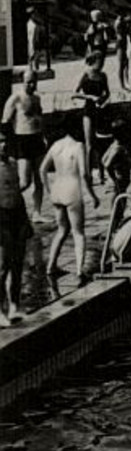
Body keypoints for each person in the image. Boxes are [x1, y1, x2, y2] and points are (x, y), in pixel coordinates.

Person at [41, 126, 99, 287]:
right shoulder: (78, 146)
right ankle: (80, 271)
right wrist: (93, 195)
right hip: (72, 190)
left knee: (61, 230)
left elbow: (42, 170)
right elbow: (84, 174)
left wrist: (48, 190)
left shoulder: (56, 145)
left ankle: (50, 266)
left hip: (57, 190)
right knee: (78, 233)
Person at [2, 73, 46, 220]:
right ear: (22, 82)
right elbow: (5, 122)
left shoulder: (36, 98)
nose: (32, 85)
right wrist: (7, 143)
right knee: (25, 182)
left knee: (40, 179)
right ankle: (6, 203)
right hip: (22, 141)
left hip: (37, 140)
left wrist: (43, 136)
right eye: (29, 83)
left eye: (34, 82)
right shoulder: (16, 98)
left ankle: (37, 213)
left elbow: (39, 118)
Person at [0, 131, 31, 325]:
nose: (3, 145)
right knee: (3, 266)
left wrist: (26, 220)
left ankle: (14, 305)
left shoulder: (12, 163)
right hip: (0, 216)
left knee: (18, 264)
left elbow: (18, 192)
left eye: (4, 141)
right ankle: (0, 309)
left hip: (17, 214)